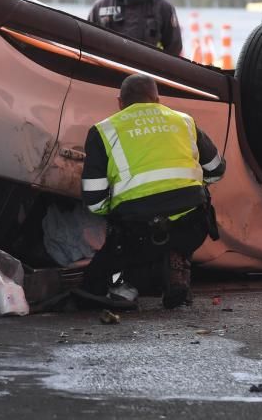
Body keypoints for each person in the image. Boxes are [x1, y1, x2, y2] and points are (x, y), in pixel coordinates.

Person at [78, 74, 225, 309]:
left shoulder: (103, 131)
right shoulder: (184, 121)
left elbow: (94, 202)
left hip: (136, 233)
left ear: (120, 102)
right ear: (157, 99)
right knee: (199, 196)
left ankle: (134, 280)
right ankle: (176, 259)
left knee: (103, 273)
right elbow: (217, 170)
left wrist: (115, 210)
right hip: (191, 227)